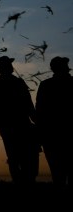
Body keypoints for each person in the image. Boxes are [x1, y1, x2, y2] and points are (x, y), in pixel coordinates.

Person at [0, 56, 38, 184]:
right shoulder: (18, 83)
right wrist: (37, 122)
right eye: (9, 64)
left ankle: (19, 182)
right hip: (21, 126)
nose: (12, 66)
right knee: (25, 158)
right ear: (5, 67)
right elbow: (29, 105)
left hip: (7, 128)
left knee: (13, 158)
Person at [35, 56, 73, 187]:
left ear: (52, 69)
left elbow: (39, 112)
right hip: (64, 135)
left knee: (57, 173)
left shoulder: (45, 85)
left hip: (50, 136)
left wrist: (39, 135)